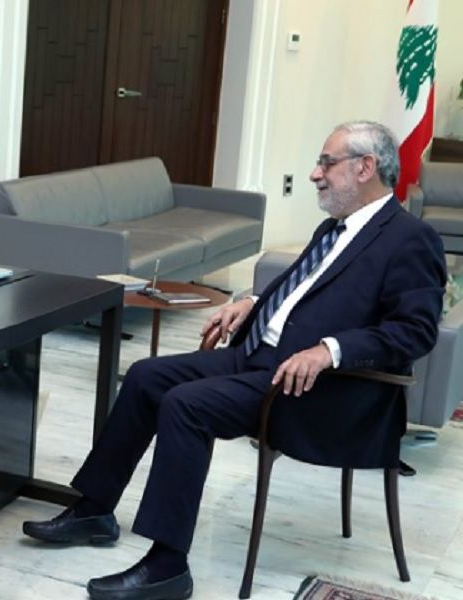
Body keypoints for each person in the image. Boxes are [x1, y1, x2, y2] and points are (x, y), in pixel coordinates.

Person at [22, 121, 447, 600]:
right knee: (145, 375)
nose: (315, 174)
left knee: (186, 405)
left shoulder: (411, 239)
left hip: (317, 389)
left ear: (365, 167)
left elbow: (414, 331)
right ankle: (94, 510)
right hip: (257, 358)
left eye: (327, 163)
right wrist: (254, 303)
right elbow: (310, 293)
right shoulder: (334, 228)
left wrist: (328, 350)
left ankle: (167, 567)